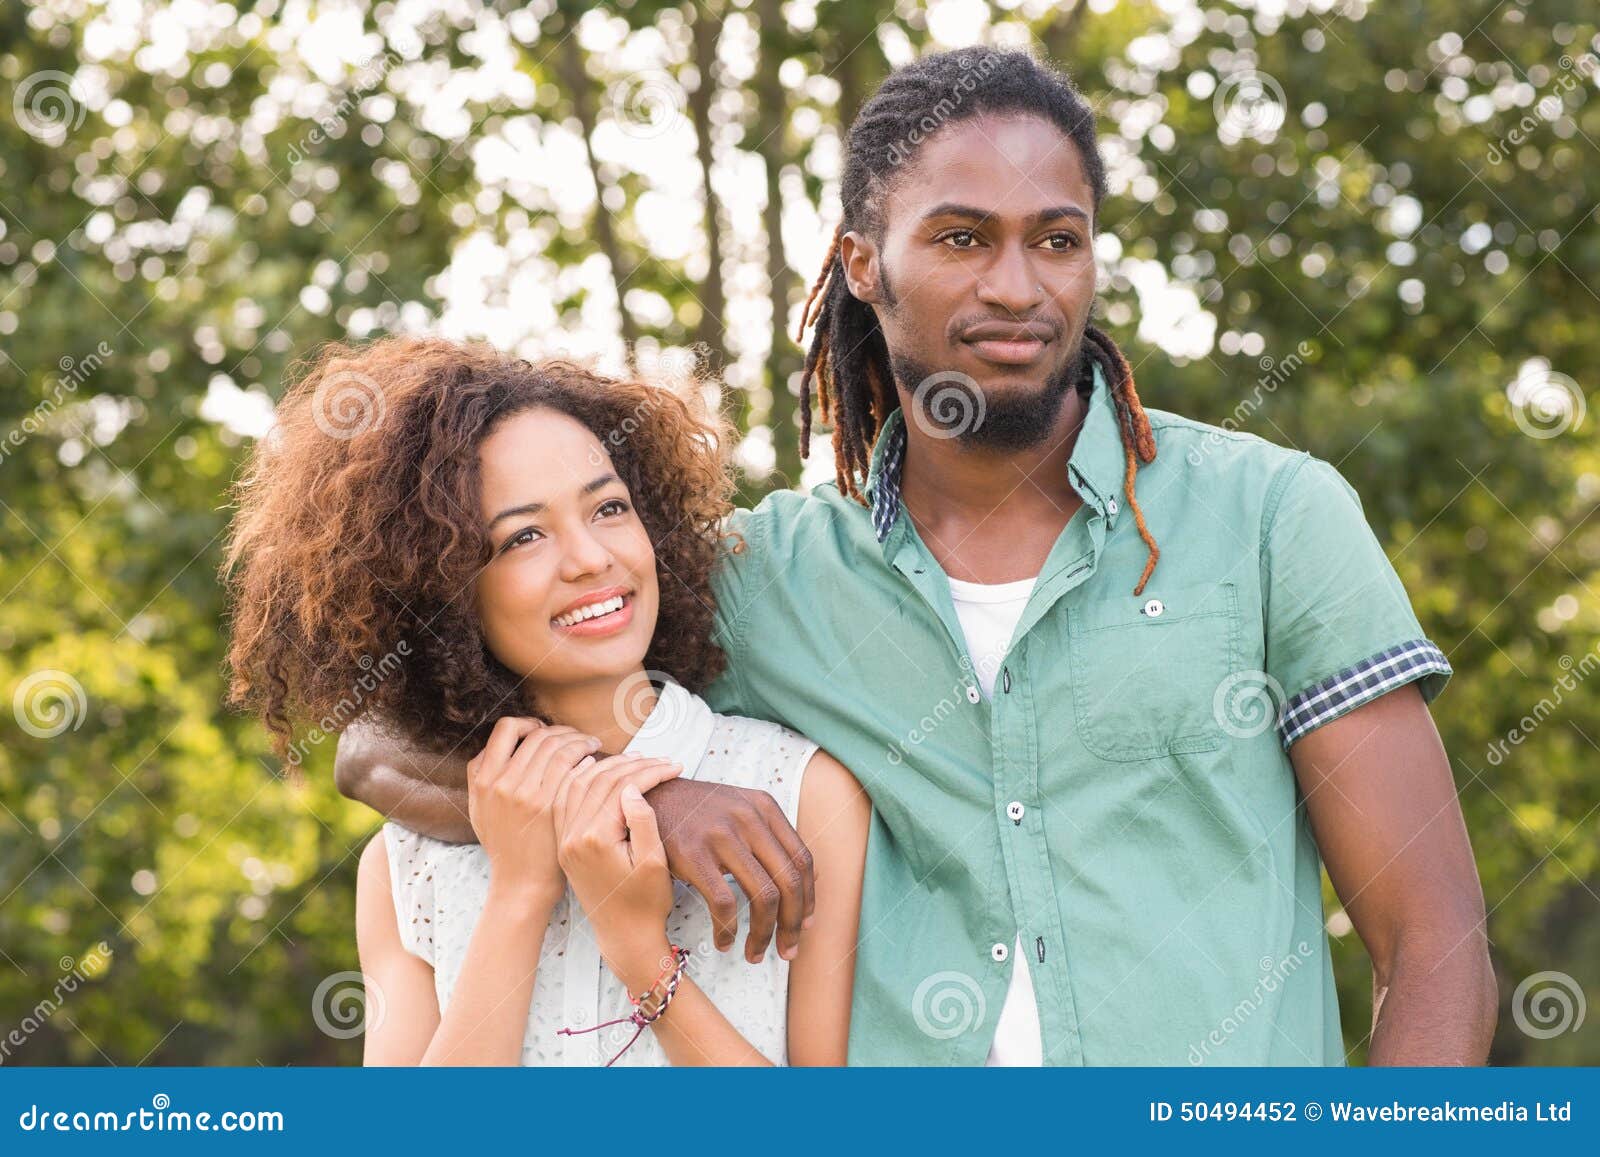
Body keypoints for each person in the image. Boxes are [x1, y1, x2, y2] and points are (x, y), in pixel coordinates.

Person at [336, 49, 1495, 1065]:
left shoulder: (1270, 519)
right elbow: (384, 736)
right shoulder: (758, 576)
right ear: (859, 262)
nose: (1016, 286)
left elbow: (1434, 945)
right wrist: (657, 792)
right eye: (960, 238)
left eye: (1057, 239)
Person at [225, 340, 870, 1065]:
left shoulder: (804, 793)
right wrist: (521, 893)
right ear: (440, 587)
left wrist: (640, 954)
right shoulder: (406, 866)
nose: (591, 557)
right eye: (524, 535)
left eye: (609, 507)